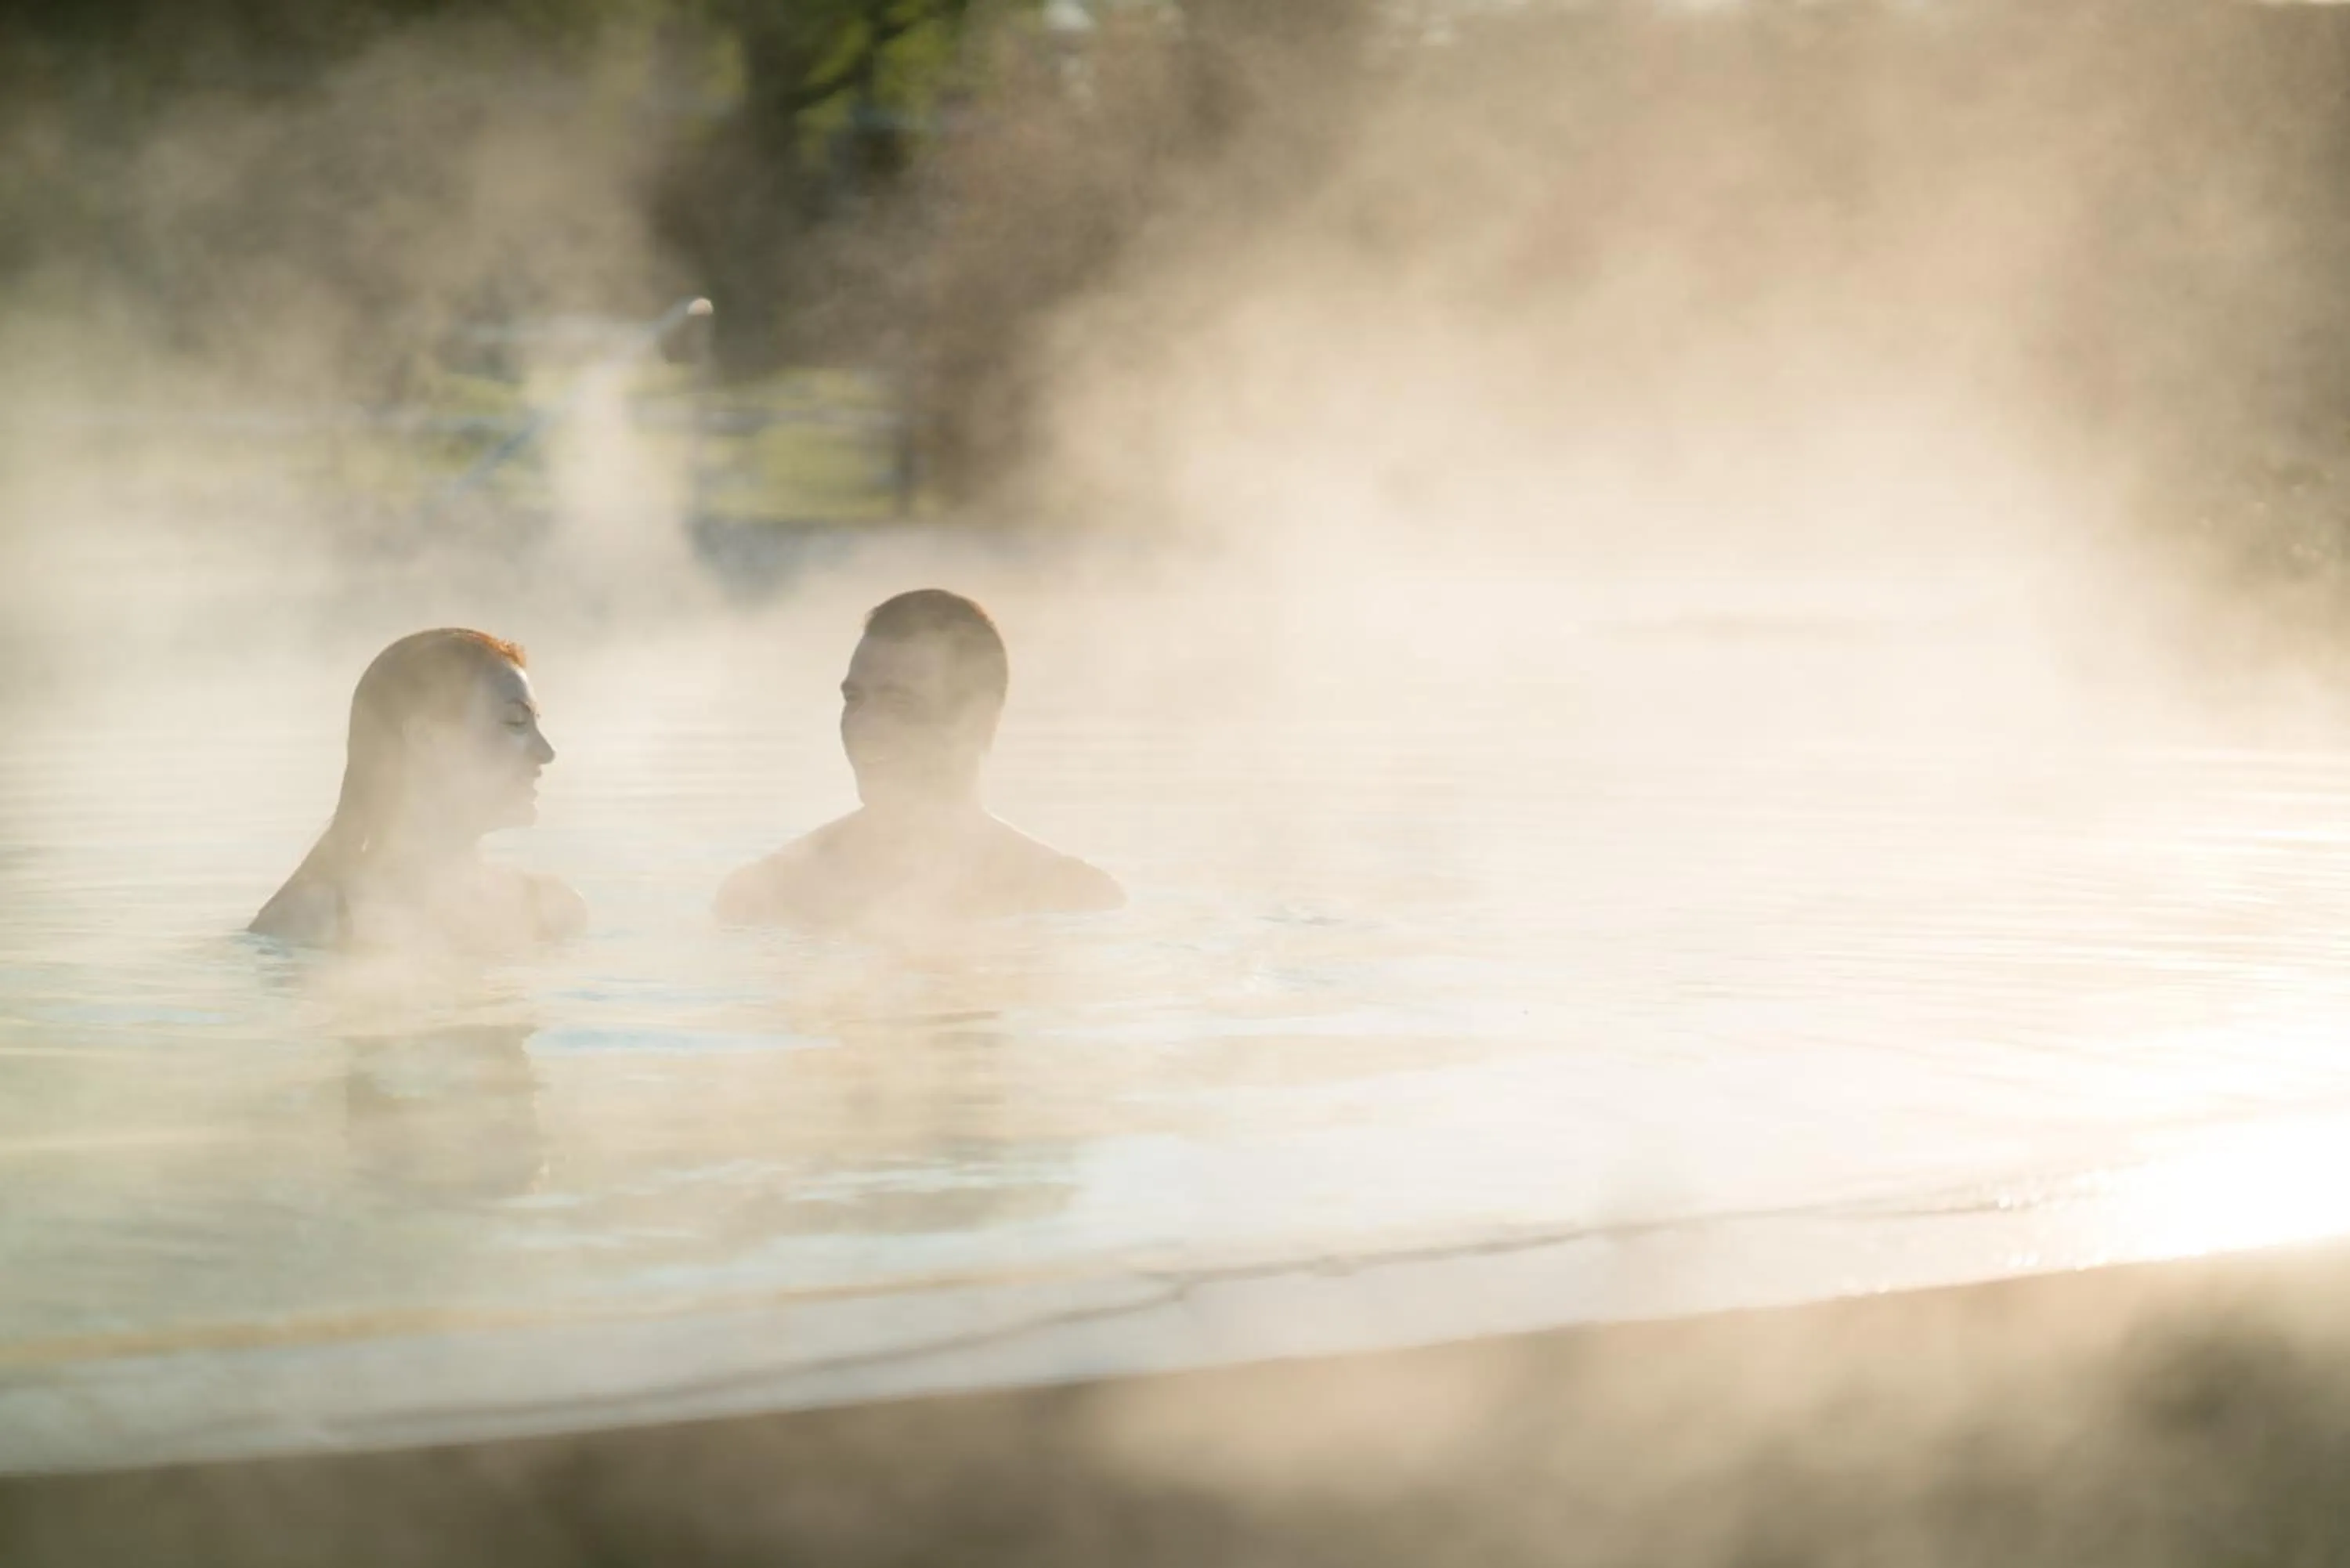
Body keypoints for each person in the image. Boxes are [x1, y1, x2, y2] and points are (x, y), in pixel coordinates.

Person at [715, 589, 1122, 931]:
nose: (865, 726)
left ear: (979, 720)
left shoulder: (1069, 897)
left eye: (899, 703)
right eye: (854, 699)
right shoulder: (770, 893)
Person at [250, 628, 584, 951]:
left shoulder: (552, 912)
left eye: (536, 724)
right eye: (515, 722)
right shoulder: (315, 920)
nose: (546, 752)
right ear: (427, 738)